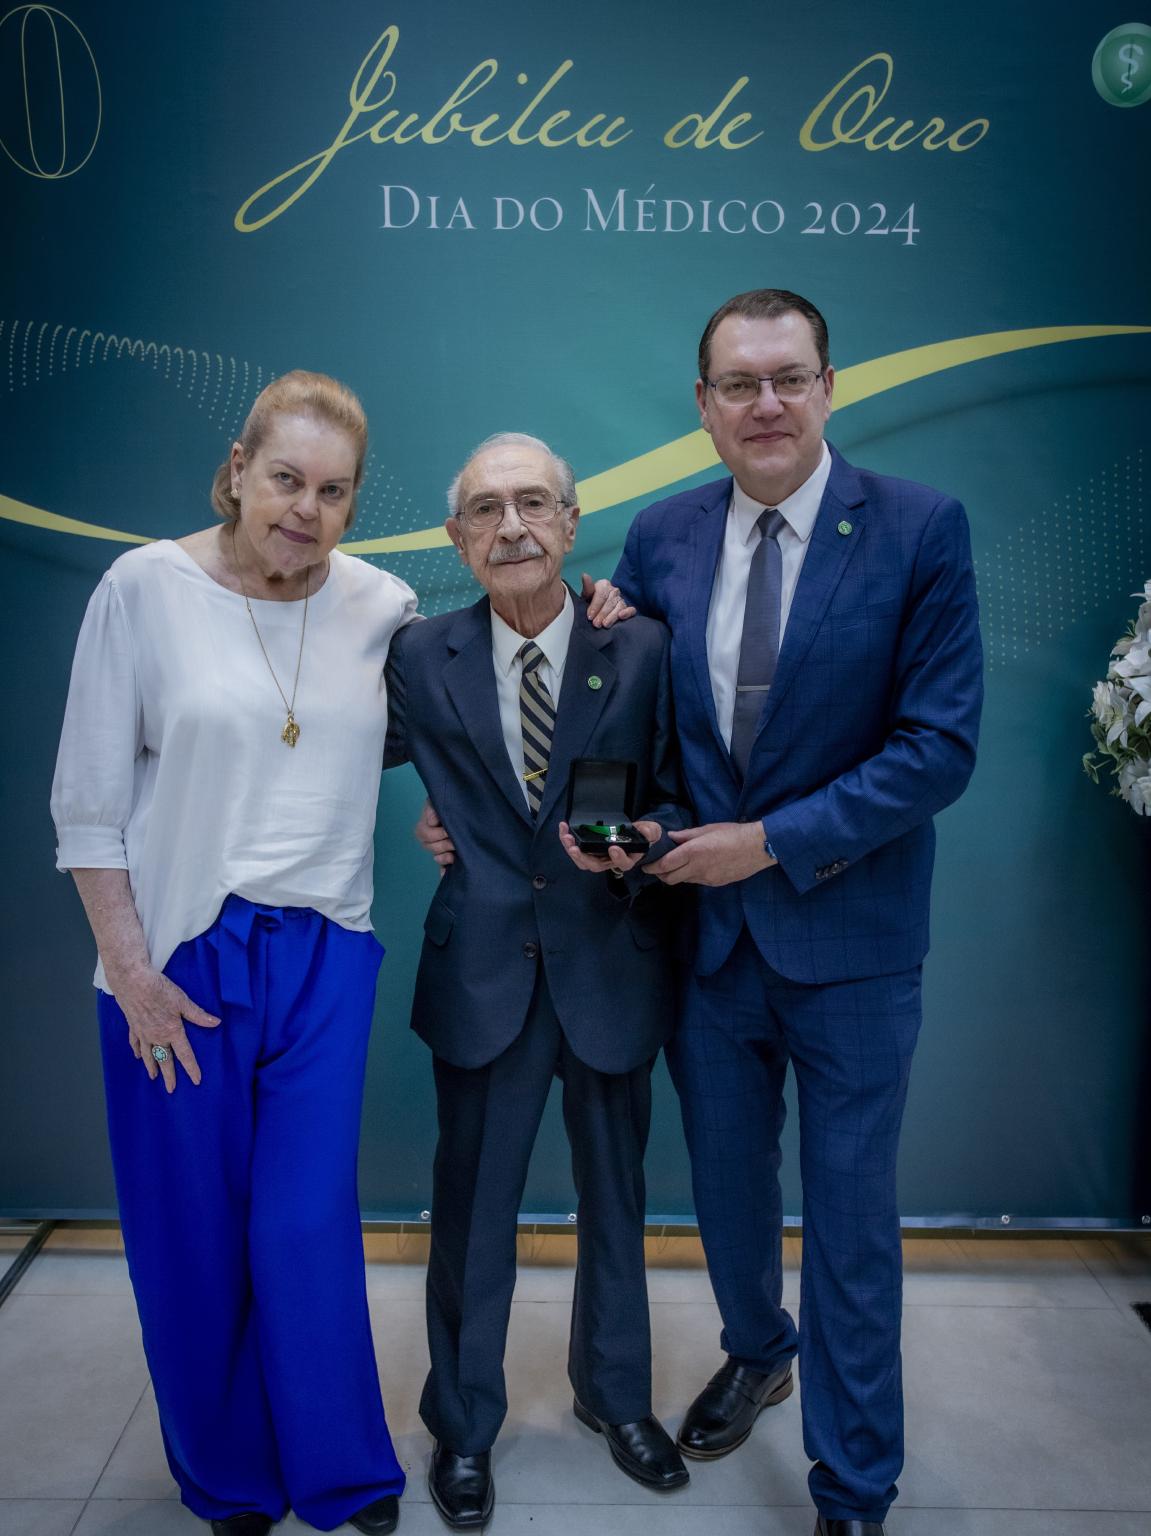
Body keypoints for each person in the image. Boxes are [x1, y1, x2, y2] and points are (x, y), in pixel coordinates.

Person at [610, 289, 984, 1536]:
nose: (764, 403)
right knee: (724, 1188)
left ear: (829, 387)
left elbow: (936, 750)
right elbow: (634, 730)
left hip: (852, 944)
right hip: (707, 946)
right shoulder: (658, 537)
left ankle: (852, 1483)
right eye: (738, 383)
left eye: (787, 377)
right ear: (703, 404)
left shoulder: (919, 529)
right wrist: (620, 823)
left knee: (848, 1219)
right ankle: (757, 1350)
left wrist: (764, 844)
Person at [50, 371, 413, 1536]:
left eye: (333, 492)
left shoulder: (383, 604)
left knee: (304, 1228)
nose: (306, 509)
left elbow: (474, 704)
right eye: (286, 479)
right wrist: (131, 974)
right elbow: (87, 808)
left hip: (326, 956)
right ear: (239, 469)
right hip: (176, 958)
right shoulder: (142, 589)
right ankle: (230, 1478)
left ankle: (341, 1470)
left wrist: (589, 604)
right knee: (192, 1235)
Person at [384, 432, 692, 1530]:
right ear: (454, 536)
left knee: (616, 1199)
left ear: (570, 522)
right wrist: (431, 824)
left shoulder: (642, 645)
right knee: (472, 1212)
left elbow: (685, 792)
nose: (509, 527)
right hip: (481, 973)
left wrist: (647, 841)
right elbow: (321, 752)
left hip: (609, 960)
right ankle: (464, 1426)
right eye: (484, 509)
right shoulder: (417, 655)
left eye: (531, 504)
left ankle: (616, 1397)